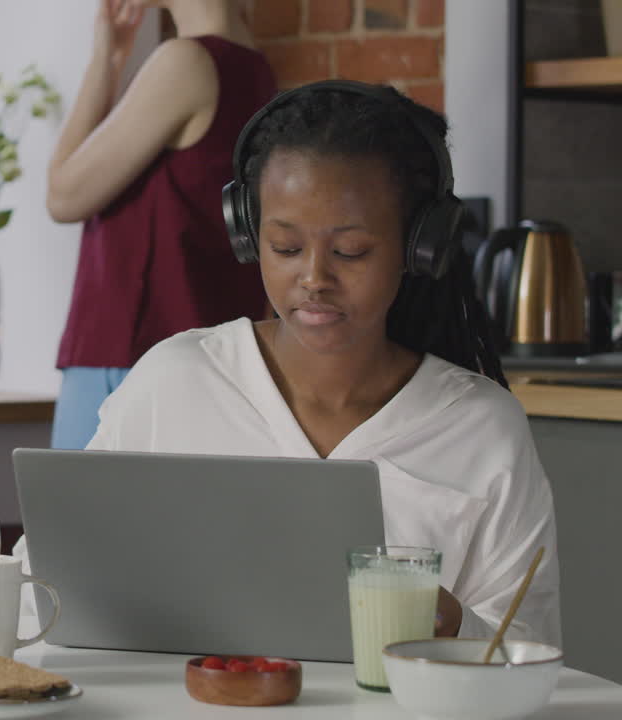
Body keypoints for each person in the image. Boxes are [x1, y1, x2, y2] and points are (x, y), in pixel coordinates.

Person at [86, 80, 561, 643]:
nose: (314, 278)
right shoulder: (173, 383)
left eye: (350, 252)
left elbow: (529, 649)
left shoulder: (482, 428)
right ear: (248, 234)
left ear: (419, 246)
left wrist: (450, 622)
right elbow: (51, 587)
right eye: (285, 248)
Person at [45, 0, 276, 450]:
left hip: (130, 358)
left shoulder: (185, 62)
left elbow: (63, 196)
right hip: (204, 362)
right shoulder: (255, 69)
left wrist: (104, 62)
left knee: (74, 520)